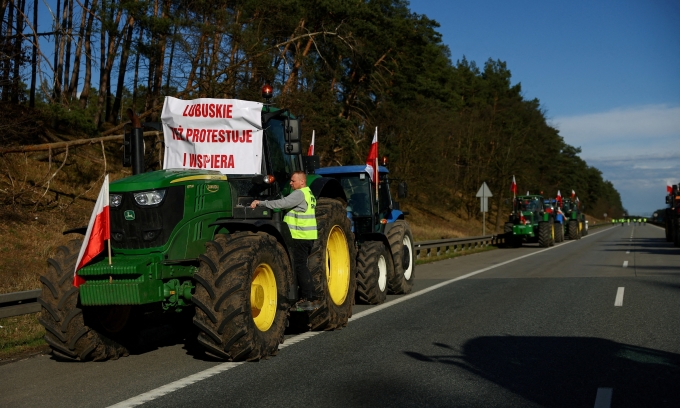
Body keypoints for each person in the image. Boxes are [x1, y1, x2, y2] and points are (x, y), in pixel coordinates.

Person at [250, 171, 322, 311]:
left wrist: (261, 203)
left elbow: (282, 203)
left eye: (293, 181)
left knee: (300, 266)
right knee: (301, 266)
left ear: (302, 182)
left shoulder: (299, 193)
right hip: (307, 236)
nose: (290, 183)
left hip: (300, 236)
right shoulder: (309, 193)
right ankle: (308, 297)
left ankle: (310, 298)